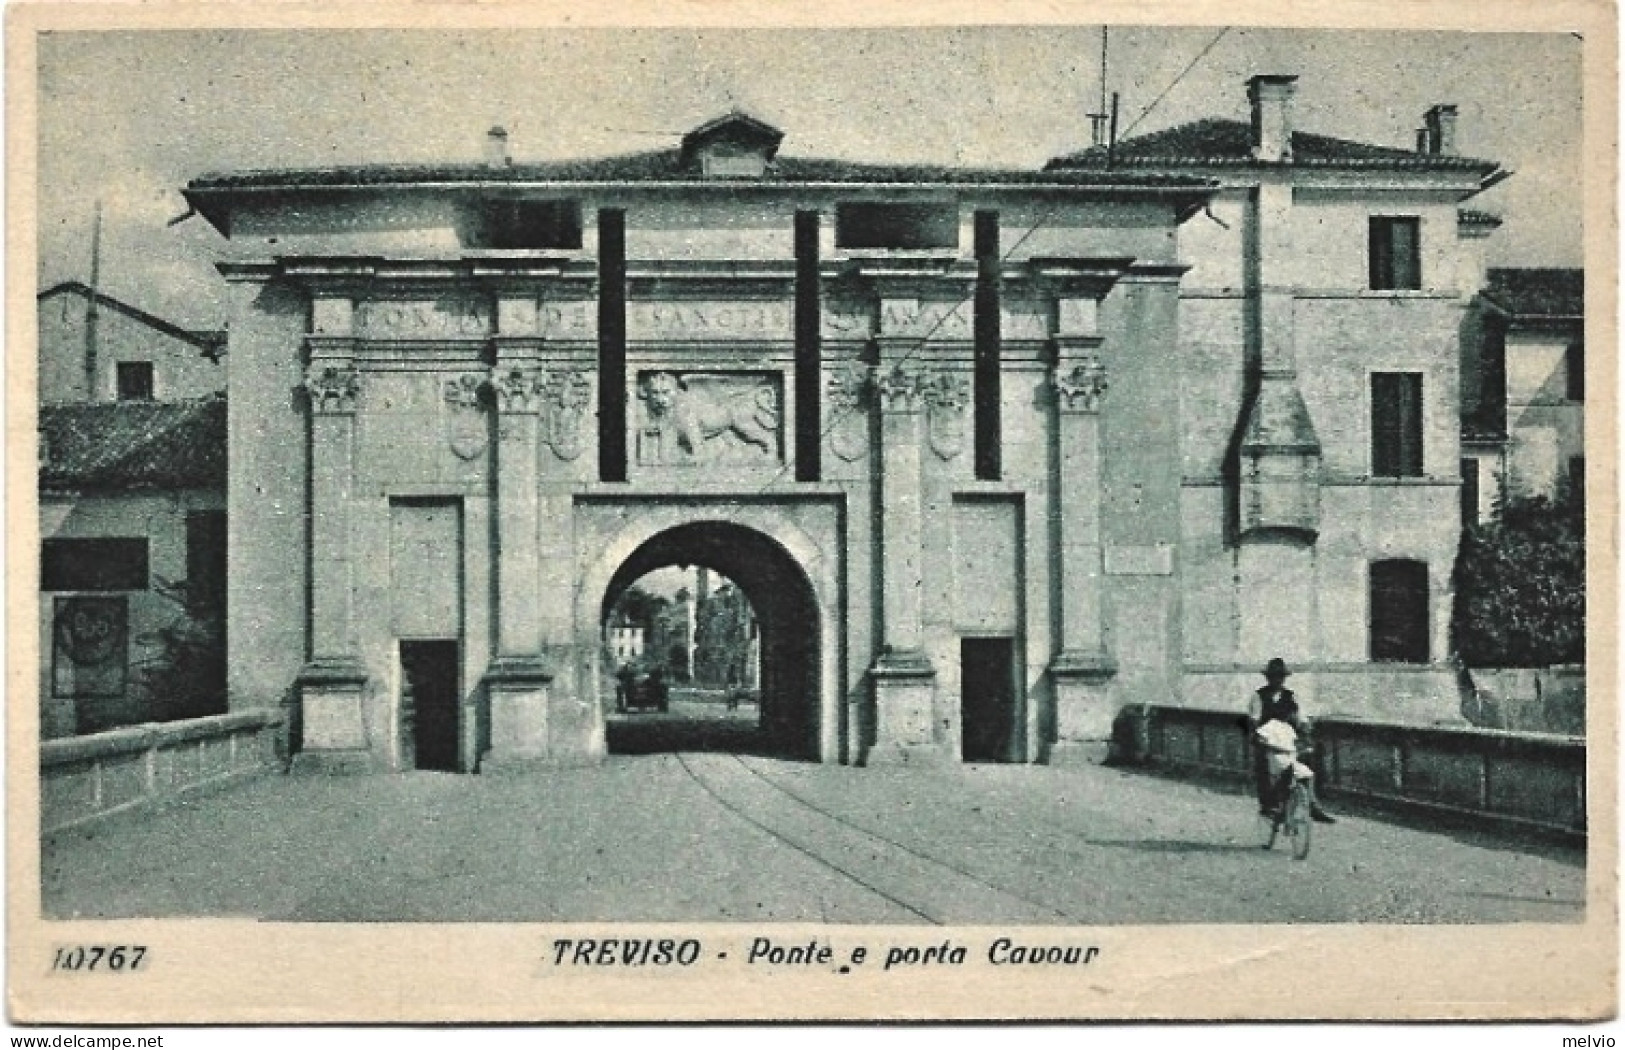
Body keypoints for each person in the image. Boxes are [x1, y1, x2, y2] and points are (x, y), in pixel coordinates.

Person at [1246, 658, 1335, 823]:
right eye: (1273, 676)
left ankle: (1313, 804)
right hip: (1267, 738)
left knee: (1306, 764)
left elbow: (1300, 718)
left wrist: (1305, 731)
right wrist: (1257, 735)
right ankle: (1269, 804)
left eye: (1280, 677)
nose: (1277, 680)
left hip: (1286, 738)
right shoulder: (1259, 696)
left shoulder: (1291, 697)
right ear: (1268, 678)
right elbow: (1254, 720)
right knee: (1264, 765)